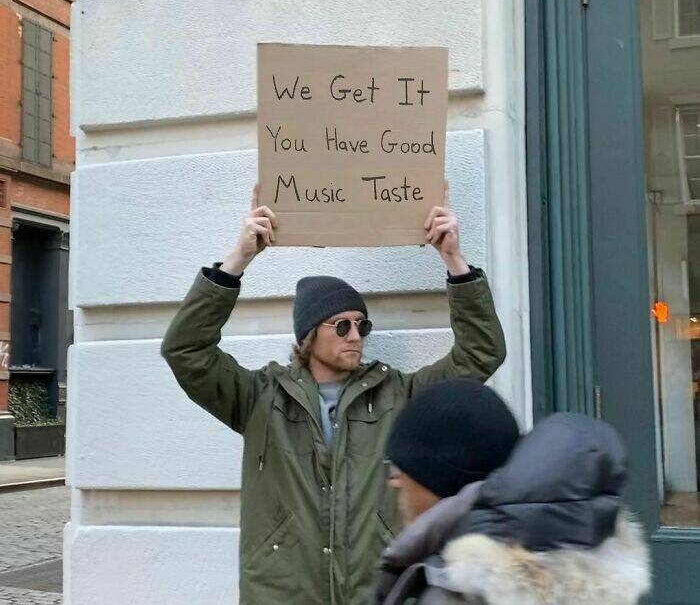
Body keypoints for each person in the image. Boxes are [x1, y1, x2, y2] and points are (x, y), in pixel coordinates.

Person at [160, 184, 506, 605]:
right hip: (283, 594)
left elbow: (480, 354)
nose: (355, 335)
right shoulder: (260, 398)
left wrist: (453, 258)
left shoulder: (399, 395)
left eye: (362, 325)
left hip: (374, 591)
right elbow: (185, 350)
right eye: (341, 325)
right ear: (309, 336)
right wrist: (239, 260)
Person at [376, 383, 651, 605]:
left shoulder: (458, 589)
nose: (395, 482)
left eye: (403, 468)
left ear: (440, 481)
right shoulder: (587, 566)